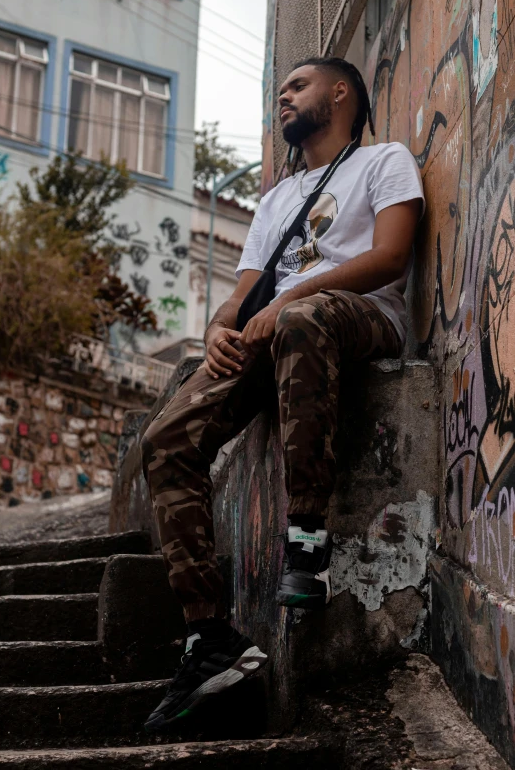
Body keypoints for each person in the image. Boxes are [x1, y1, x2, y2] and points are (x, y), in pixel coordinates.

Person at [141, 56, 424, 732]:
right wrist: (217, 332)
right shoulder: (274, 200)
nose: (283, 98)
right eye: (280, 92)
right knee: (165, 439)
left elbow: (391, 257)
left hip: (362, 319)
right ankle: (209, 637)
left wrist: (295, 295)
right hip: (279, 331)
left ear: (340, 91)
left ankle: (307, 536)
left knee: (300, 316)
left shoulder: (384, 161)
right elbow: (243, 296)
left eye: (296, 86)